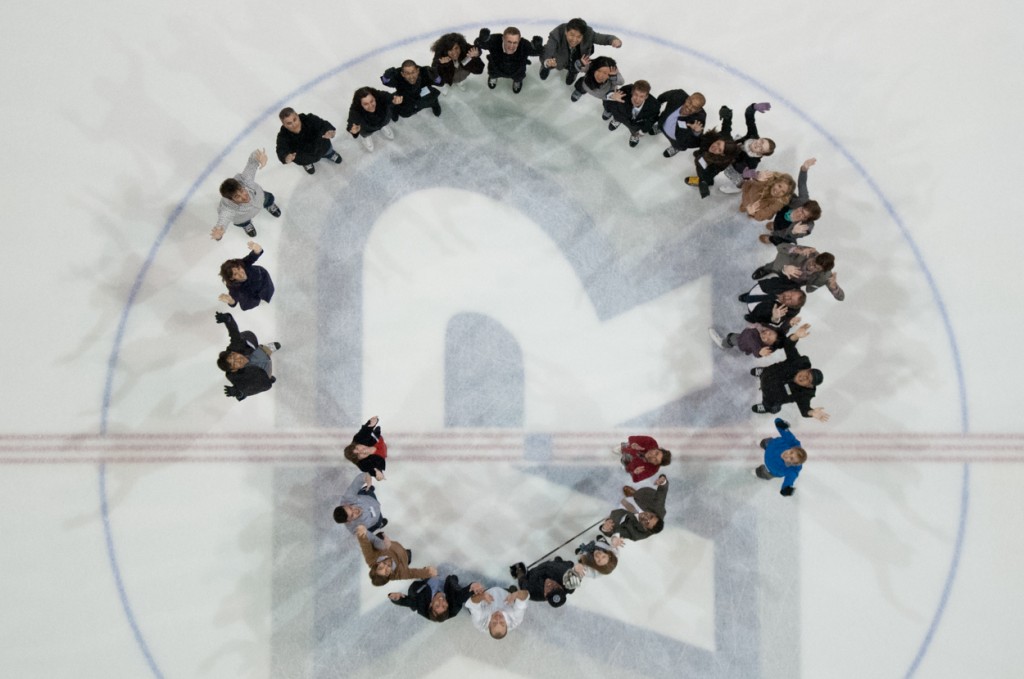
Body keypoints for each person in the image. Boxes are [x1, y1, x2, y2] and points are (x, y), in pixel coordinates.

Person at [751, 336, 829, 421]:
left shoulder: (804, 394)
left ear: (809, 386)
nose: (803, 377)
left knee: (770, 404)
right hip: (768, 374)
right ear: (807, 369)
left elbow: (805, 410)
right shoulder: (798, 362)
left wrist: (812, 413)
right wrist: (796, 335)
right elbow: (788, 345)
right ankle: (763, 372)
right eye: (807, 373)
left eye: (808, 379)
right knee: (766, 373)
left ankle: (768, 408)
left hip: (771, 397)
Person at [209, 148, 281, 240]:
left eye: (242, 190)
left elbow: (252, 161)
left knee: (268, 199)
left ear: (241, 186)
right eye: (237, 196)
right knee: (242, 222)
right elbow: (223, 221)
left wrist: (258, 156)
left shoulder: (246, 180)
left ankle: (269, 205)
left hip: (259, 197)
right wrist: (219, 233)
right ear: (231, 200)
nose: (244, 196)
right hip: (243, 217)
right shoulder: (228, 209)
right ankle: (246, 224)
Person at [215, 311, 278, 401]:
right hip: (261, 371)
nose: (238, 359)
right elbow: (245, 389)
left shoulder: (235, 347)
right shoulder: (234, 376)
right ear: (234, 370)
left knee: (241, 338)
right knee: (258, 381)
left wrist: (228, 320)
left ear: (233, 352)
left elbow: (234, 333)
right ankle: (268, 375)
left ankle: (266, 349)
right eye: (234, 363)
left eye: (234, 357)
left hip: (253, 350)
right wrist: (239, 392)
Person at [539, 18, 621, 85]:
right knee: (549, 62)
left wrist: (613, 40)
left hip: (577, 58)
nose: (574, 40)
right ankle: (546, 68)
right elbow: (548, 50)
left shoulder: (589, 33)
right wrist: (547, 62)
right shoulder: (557, 34)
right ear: (566, 32)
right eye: (572, 35)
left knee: (579, 64)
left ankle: (573, 72)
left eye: (579, 36)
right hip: (558, 58)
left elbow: (603, 38)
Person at [717, 103, 776, 194]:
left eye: (761, 149)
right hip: (736, 147)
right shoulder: (753, 135)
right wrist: (753, 107)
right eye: (761, 142)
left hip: (736, 164)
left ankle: (738, 186)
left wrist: (755, 174)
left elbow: (745, 172)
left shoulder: (752, 161)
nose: (758, 145)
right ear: (760, 138)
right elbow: (749, 117)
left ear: (760, 154)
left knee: (732, 173)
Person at [752, 245, 845, 301]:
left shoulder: (825, 275)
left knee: (781, 294)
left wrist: (834, 288)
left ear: (822, 270)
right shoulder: (809, 251)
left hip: (795, 282)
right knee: (776, 265)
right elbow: (781, 247)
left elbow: (841, 297)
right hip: (786, 266)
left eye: (816, 268)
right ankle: (767, 269)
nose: (811, 267)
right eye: (813, 262)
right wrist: (797, 250)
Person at [685, 106, 742, 198]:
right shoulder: (723, 136)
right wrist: (727, 115)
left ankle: (708, 183)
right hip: (704, 152)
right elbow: (727, 127)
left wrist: (703, 181)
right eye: (718, 143)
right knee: (699, 155)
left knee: (703, 170)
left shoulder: (719, 163)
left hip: (709, 163)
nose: (715, 147)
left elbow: (707, 172)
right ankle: (701, 154)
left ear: (722, 154)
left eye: (719, 150)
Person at [761, 158, 821, 245]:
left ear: (807, 220)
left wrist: (793, 232)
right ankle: (774, 225)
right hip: (783, 212)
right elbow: (802, 184)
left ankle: (770, 239)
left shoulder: (803, 227)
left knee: (778, 238)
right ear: (802, 205)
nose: (799, 213)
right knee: (777, 220)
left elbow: (786, 234)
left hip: (786, 230)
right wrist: (804, 169)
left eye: (804, 216)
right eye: (802, 210)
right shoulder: (803, 200)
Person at [354, 525, 436, 586]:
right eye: (386, 572)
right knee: (407, 555)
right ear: (389, 575)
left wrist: (361, 535)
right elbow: (412, 574)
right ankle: (407, 555)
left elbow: (365, 547)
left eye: (381, 567)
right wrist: (428, 573)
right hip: (402, 555)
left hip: (391, 547)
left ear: (376, 565)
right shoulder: (399, 573)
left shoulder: (371, 560)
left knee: (380, 543)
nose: (386, 566)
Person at [599, 474, 669, 542]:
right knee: (642, 496)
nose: (645, 517)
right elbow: (662, 493)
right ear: (655, 514)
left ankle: (624, 509)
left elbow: (616, 533)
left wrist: (606, 529)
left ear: (646, 528)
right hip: (644, 499)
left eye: (647, 523)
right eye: (650, 516)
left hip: (624, 513)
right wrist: (663, 481)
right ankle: (634, 494)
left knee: (614, 520)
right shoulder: (658, 509)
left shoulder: (637, 535)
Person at [275, 108, 342, 175]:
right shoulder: (283, 136)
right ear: (284, 124)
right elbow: (281, 149)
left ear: (297, 115)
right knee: (305, 161)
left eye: (294, 119)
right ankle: (307, 163)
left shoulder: (309, 119)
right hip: (304, 158)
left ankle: (330, 154)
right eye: (289, 123)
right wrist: (285, 157)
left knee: (328, 151)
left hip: (322, 147)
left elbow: (323, 124)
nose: (294, 124)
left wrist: (330, 131)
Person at [475, 26, 543, 94]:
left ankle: (517, 81)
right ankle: (493, 78)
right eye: (509, 42)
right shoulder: (495, 40)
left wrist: (538, 47)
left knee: (519, 77)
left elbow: (537, 52)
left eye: (515, 42)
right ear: (503, 39)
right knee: (492, 73)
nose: (511, 46)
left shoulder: (524, 44)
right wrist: (482, 39)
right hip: (496, 68)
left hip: (517, 70)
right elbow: (481, 44)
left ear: (519, 41)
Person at [388, 574, 479, 623]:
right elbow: (460, 596)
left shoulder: (421, 603)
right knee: (452, 581)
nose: (441, 600)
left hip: (423, 591)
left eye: (436, 605)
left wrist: (396, 598)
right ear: (448, 605)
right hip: (445, 588)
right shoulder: (454, 607)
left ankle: (425, 577)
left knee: (433, 577)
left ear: (430, 604)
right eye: (444, 605)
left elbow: (406, 602)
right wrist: (471, 588)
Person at [755, 418, 807, 497]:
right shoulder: (792, 442)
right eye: (791, 452)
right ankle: (763, 444)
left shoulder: (792, 470)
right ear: (792, 448)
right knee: (764, 442)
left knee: (761, 473)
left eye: (791, 459)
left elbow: (790, 479)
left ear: (793, 463)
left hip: (772, 469)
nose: (787, 455)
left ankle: (761, 473)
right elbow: (779, 424)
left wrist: (786, 489)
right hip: (771, 445)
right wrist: (781, 424)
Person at [217, 241, 274, 311]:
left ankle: (264, 296)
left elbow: (253, 256)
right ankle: (257, 299)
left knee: (267, 293)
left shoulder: (243, 263)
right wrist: (230, 301)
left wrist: (257, 249)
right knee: (244, 306)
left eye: (239, 269)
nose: (241, 274)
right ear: (231, 278)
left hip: (260, 279)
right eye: (235, 274)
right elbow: (234, 299)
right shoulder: (232, 285)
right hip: (248, 288)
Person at [602, 79, 660, 147]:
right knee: (619, 115)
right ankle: (617, 120)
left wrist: (643, 131)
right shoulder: (626, 90)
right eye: (636, 94)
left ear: (646, 96)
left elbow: (652, 120)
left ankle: (634, 135)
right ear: (632, 92)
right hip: (621, 115)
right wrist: (611, 96)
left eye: (641, 96)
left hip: (636, 124)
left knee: (634, 130)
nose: (637, 99)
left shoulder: (654, 106)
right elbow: (611, 95)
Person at [707, 322, 811, 358]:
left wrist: (758, 352)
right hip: (744, 337)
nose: (765, 335)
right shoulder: (768, 330)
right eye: (769, 333)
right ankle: (730, 339)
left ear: (765, 345)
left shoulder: (754, 338)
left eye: (767, 340)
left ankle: (723, 343)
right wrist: (789, 323)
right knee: (738, 336)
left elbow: (754, 344)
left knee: (731, 338)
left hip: (742, 341)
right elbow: (780, 331)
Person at [739, 275, 806, 329]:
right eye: (790, 294)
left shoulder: (790, 311)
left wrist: (775, 318)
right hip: (763, 289)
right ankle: (748, 296)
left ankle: (752, 318)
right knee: (752, 294)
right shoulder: (790, 284)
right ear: (792, 289)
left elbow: (778, 321)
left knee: (758, 318)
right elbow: (778, 276)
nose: (787, 297)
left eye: (790, 301)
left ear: (790, 306)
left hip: (759, 311)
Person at [656, 89, 707, 158]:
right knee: (661, 125)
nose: (689, 107)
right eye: (690, 102)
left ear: (698, 110)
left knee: (679, 145)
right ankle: (660, 128)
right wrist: (656, 107)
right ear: (687, 98)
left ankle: (676, 148)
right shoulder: (678, 95)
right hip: (662, 123)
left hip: (676, 139)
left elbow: (695, 141)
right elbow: (662, 97)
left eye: (694, 107)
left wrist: (696, 132)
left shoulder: (699, 119)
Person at [509, 558, 577, 608]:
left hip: (535, 573)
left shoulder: (532, 591)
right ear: (561, 587)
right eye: (556, 587)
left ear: (545, 595)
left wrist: (519, 572)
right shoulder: (565, 575)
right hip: (555, 565)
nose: (550, 585)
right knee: (562, 562)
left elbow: (522, 582)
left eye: (549, 590)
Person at [346, 87, 396, 153]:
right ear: (360, 104)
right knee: (365, 133)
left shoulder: (380, 96)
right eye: (366, 104)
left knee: (384, 123)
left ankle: (383, 126)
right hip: (368, 128)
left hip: (383, 120)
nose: (370, 106)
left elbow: (390, 97)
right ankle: (366, 137)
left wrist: (394, 99)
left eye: (371, 101)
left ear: (374, 97)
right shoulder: (355, 111)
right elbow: (351, 122)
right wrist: (353, 130)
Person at [343, 415, 388, 484]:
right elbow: (373, 470)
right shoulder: (364, 464)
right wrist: (378, 473)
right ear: (360, 459)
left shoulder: (360, 439)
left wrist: (371, 423)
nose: (361, 451)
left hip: (380, 438)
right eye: (358, 454)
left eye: (358, 448)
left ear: (358, 444)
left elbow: (365, 431)